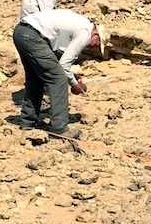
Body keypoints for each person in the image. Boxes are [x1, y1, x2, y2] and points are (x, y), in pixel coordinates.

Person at [12, 9, 105, 138]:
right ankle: (60, 128)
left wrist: (73, 76)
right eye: (97, 44)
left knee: (36, 78)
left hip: (22, 31)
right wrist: (74, 84)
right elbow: (63, 65)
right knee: (58, 79)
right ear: (95, 34)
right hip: (33, 35)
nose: (94, 48)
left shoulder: (77, 23)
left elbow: (56, 57)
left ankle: (29, 121)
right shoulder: (84, 33)